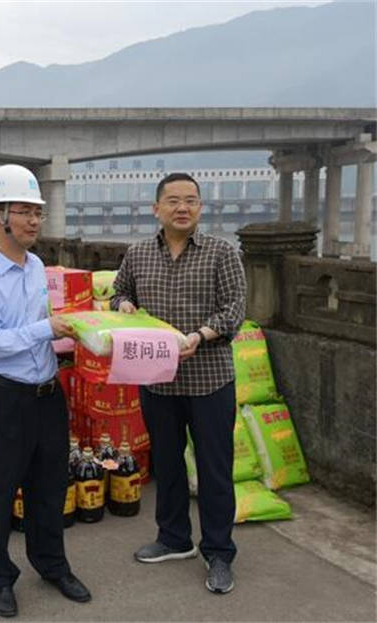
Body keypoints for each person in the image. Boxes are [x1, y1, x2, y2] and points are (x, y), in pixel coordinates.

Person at [0, 165, 90, 618]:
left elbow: (39, 330)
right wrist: (46, 329)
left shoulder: (36, 267)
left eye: (38, 211)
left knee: (50, 487)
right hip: (7, 398)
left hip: (48, 394)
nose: (34, 220)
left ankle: (52, 564)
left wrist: (75, 333)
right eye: (23, 211)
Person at [110, 172, 246, 595]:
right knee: (166, 465)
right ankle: (173, 538)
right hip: (157, 382)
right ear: (157, 209)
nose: (182, 207)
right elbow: (118, 294)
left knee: (214, 470)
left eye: (190, 200)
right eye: (173, 200)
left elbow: (235, 309)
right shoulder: (137, 254)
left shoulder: (222, 253)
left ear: (200, 207)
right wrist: (124, 304)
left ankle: (218, 551)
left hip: (210, 380)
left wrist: (201, 335)